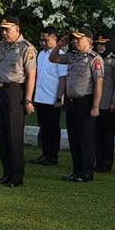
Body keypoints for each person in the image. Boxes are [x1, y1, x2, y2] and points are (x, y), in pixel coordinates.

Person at [0, 16, 37, 187]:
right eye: (2, 29)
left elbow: (31, 76)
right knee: (3, 134)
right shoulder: (2, 45)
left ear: (17, 28)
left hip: (15, 91)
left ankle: (16, 176)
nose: (4, 32)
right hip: (1, 90)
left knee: (14, 135)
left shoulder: (26, 48)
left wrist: (28, 99)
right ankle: (6, 173)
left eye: (7, 29)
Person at [49, 29, 104, 183]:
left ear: (89, 40)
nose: (75, 42)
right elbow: (53, 58)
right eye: (73, 39)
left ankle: (86, 172)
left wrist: (95, 106)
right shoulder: (72, 56)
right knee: (74, 138)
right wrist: (60, 44)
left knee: (85, 138)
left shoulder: (95, 59)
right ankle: (76, 170)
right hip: (71, 102)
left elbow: (99, 83)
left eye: (78, 39)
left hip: (85, 101)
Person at [31, 27, 67, 166]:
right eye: (41, 39)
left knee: (53, 128)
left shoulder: (60, 55)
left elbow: (62, 78)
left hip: (52, 98)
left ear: (54, 39)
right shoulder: (41, 54)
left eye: (45, 39)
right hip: (41, 97)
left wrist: (59, 98)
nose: (43, 42)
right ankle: (45, 153)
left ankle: (53, 155)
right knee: (44, 127)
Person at [94, 35, 115, 172]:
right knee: (96, 134)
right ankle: (97, 161)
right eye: (98, 44)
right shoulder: (95, 59)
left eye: (103, 44)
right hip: (96, 103)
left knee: (107, 135)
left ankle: (106, 163)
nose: (100, 47)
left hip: (108, 102)